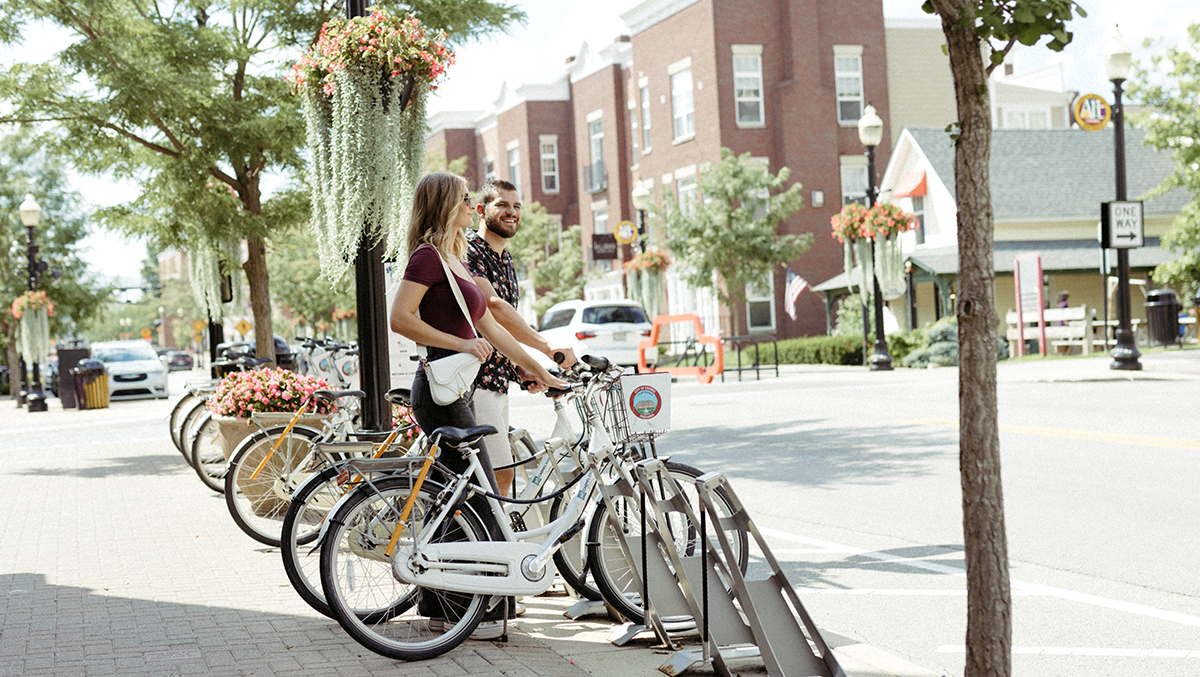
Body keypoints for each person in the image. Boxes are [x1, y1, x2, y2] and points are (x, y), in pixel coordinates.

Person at [388, 172, 565, 635]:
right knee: (477, 496)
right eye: (466, 199)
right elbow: (399, 318)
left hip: (456, 390)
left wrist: (541, 369)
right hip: (439, 391)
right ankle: (470, 608)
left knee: (457, 498)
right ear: (447, 205)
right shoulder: (427, 257)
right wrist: (460, 344)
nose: (472, 206)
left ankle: (445, 605)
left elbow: (492, 327)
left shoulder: (455, 258)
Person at [466, 179, 576, 498]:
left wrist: (519, 369)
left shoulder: (506, 259)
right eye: (502, 204)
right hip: (476, 381)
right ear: (481, 210)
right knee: (499, 477)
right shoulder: (470, 249)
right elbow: (493, 307)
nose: (511, 212)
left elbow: (501, 330)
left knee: (494, 479)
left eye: (516, 206)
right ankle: (482, 531)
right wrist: (546, 347)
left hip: (497, 382)